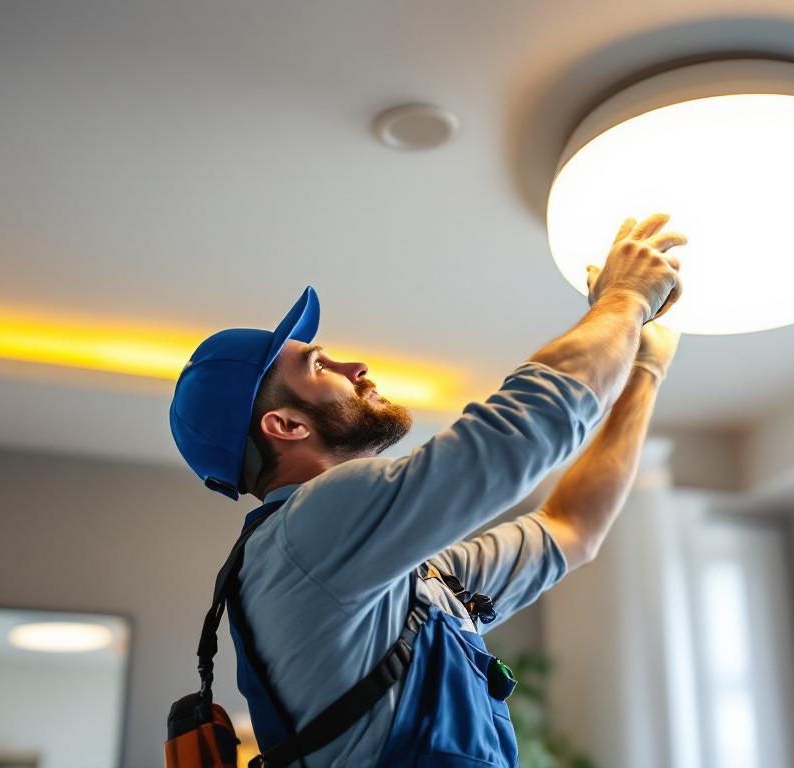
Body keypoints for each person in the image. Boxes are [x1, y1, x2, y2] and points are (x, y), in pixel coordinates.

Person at [169, 213, 686, 766]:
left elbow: (570, 530)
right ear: (287, 426)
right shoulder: (313, 524)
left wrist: (643, 372)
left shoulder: (397, 576)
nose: (356, 364)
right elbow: (522, 435)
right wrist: (624, 298)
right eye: (319, 364)